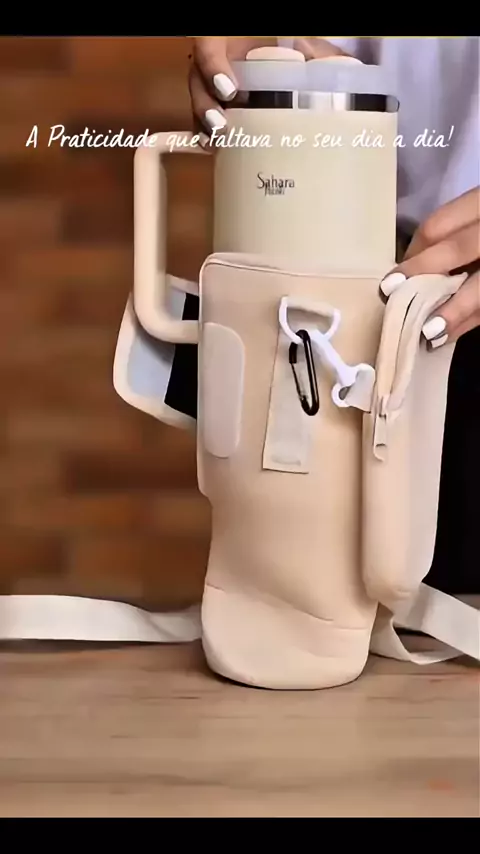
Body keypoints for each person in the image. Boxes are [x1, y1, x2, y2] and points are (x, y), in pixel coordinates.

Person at [188, 37, 480, 595]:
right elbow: (306, 50)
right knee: (369, 592)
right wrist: (258, 57)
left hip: (414, 299)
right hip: (392, 298)